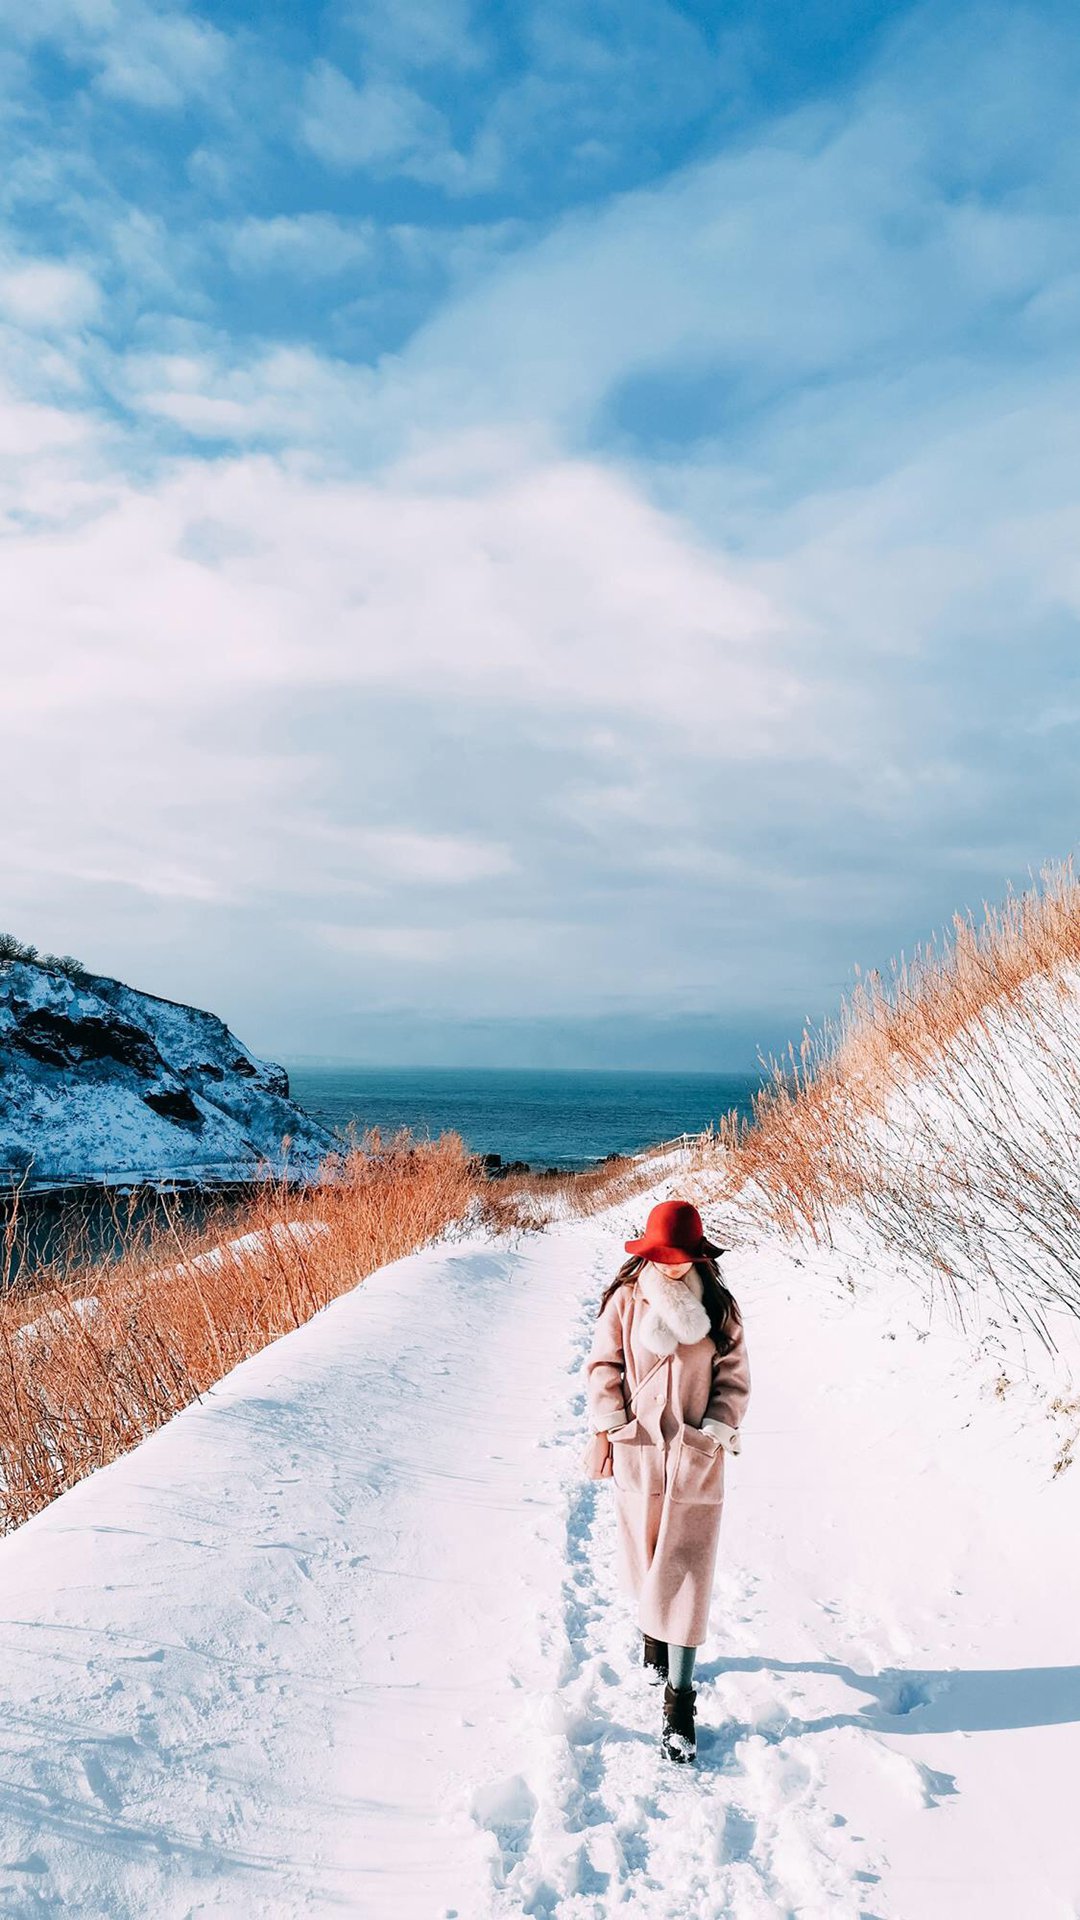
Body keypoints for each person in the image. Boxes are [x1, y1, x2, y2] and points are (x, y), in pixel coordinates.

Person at [585, 1198, 750, 1763]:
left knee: (687, 1579)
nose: (675, 1265)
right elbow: (603, 1367)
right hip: (641, 1452)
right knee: (646, 1561)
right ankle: (651, 1633)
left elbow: (735, 1378)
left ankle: (679, 1706)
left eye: (683, 1256)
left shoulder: (720, 1307)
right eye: (665, 1255)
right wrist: (608, 1429)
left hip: (697, 1457)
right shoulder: (626, 1301)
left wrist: (715, 1430)